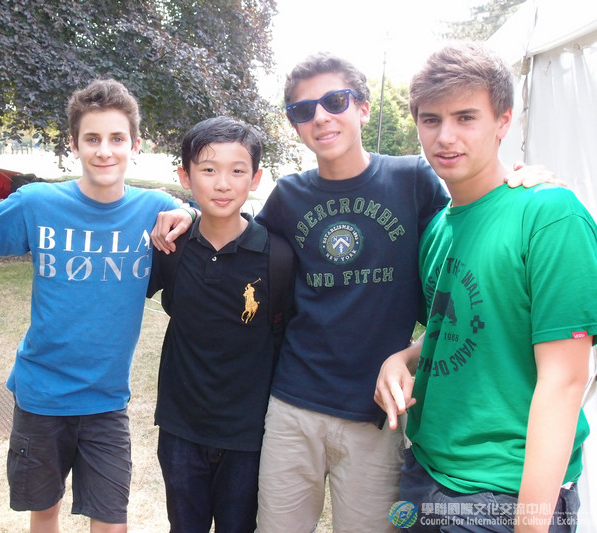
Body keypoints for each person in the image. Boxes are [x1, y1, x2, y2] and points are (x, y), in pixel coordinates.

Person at [151, 53, 555, 532]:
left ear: (363, 108)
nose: (321, 116)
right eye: (305, 110)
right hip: (292, 404)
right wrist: (189, 213)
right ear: (295, 125)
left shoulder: (413, 180)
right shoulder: (289, 196)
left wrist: (520, 183)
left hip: (377, 412)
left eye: (335, 101)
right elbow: (238, 232)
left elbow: (468, 217)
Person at [374, 42, 597, 532]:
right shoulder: (437, 230)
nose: (445, 136)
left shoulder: (550, 216)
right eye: (431, 120)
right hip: (424, 473)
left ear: (503, 122)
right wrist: (401, 359)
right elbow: (459, 330)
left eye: (466, 117)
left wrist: (531, 523)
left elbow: (564, 381)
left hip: (504, 495)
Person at [0, 79, 186, 533]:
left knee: (112, 521)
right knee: (44, 512)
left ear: (134, 145)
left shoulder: (155, 208)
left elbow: (215, 216)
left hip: (106, 400)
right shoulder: (37, 202)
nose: (104, 151)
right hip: (41, 395)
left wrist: (188, 212)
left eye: (116, 139)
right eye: (92, 139)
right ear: (74, 145)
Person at [147, 116, 294, 532]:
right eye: (208, 170)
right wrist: (182, 212)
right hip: (180, 428)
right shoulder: (170, 246)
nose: (223, 184)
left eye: (237, 171)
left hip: (249, 434)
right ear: (185, 177)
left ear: (256, 178)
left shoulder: (278, 256)